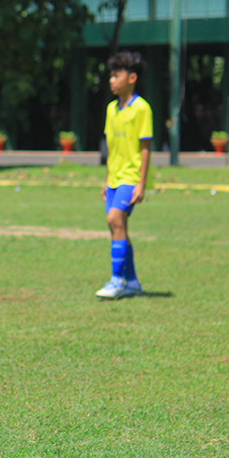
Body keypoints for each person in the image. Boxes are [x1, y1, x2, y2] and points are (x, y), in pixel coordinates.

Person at [96, 50, 152, 299]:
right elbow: (112, 148)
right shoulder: (111, 109)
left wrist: (142, 184)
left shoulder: (141, 108)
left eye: (116, 75)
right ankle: (133, 283)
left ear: (131, 78)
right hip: (115, 179)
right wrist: (107, 180)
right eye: (111, 76)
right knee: (118, 228)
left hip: (131, 178)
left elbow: (145, 147)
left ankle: (117, 280)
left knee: (114, 220)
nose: (111, 80)